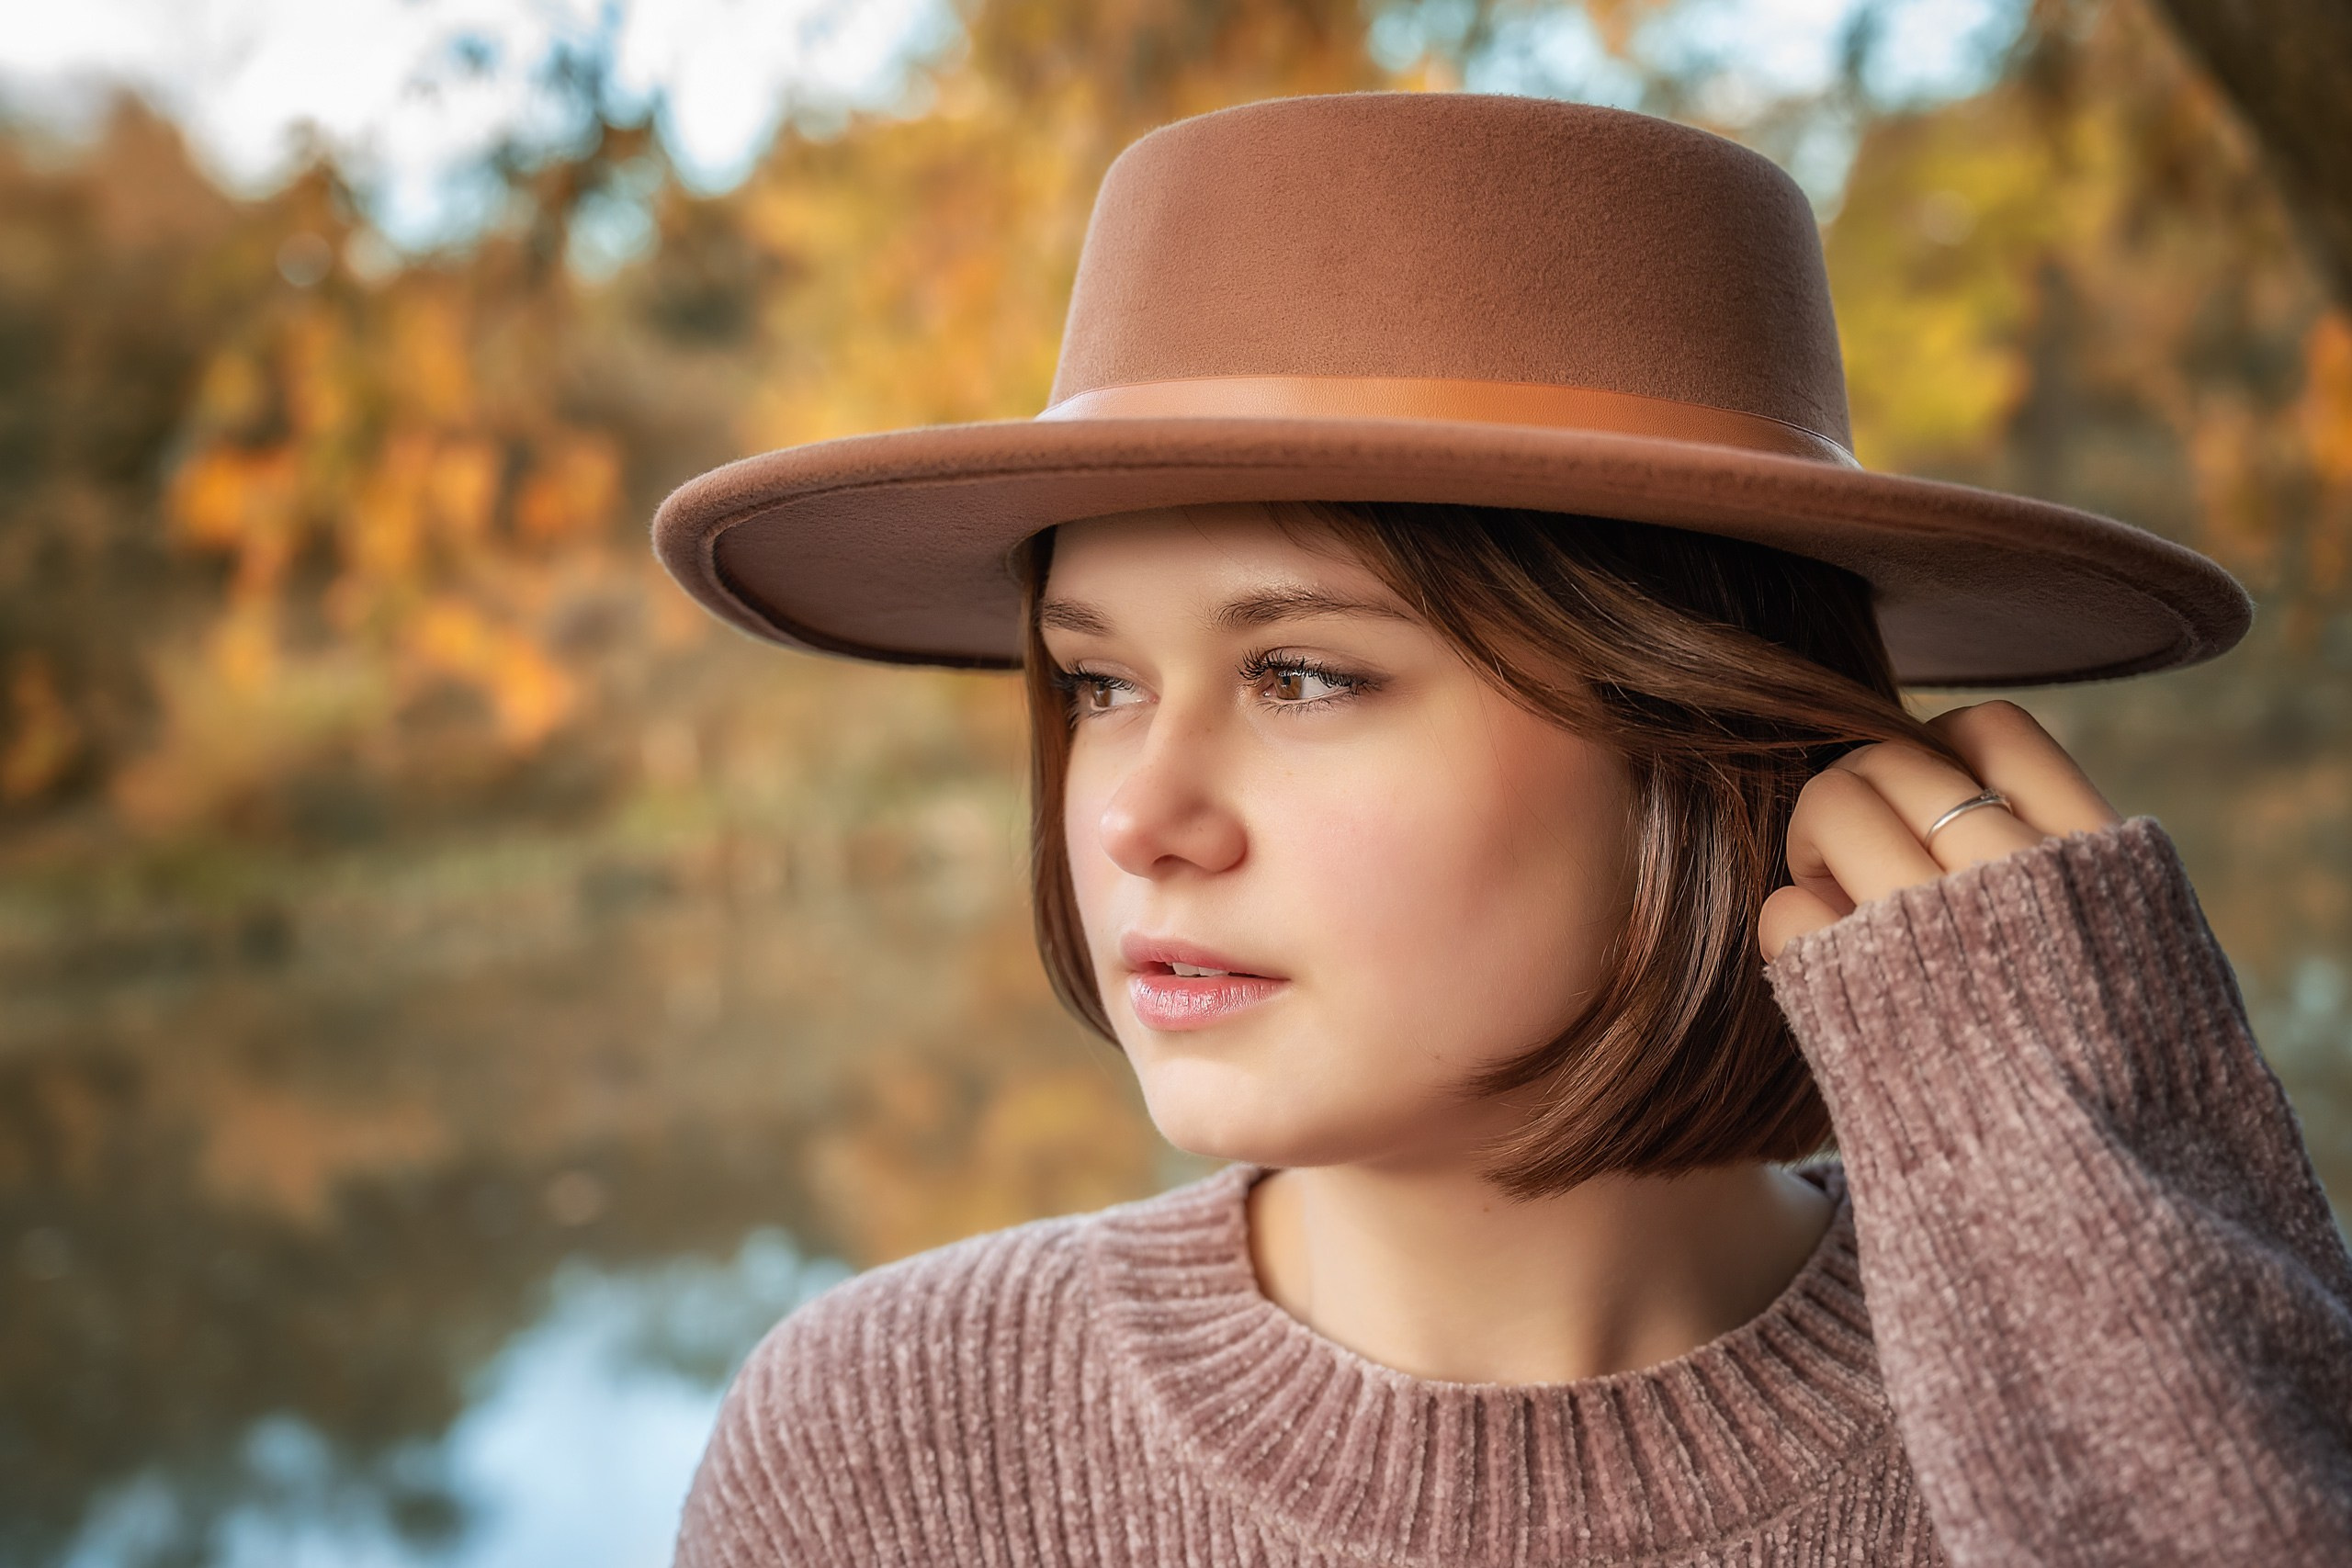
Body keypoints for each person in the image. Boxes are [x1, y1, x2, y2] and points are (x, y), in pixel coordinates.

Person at [650, 91, 2352, 1565]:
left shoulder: (2139, 1367)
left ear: (1704, 734)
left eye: (1304, 673)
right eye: (1097, 687)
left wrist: (2100, 1207)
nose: (1141, 819)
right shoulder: (881, 1448)